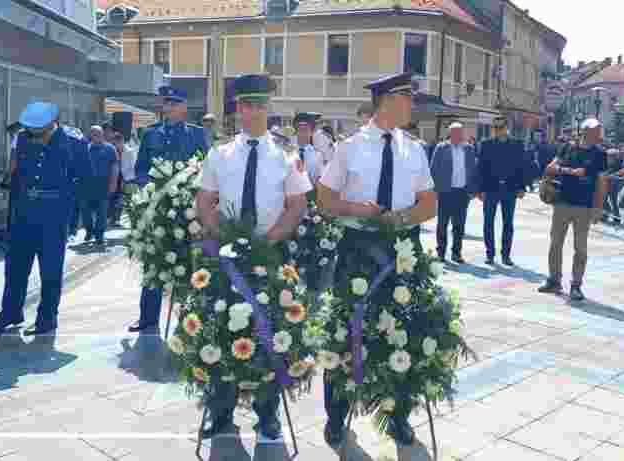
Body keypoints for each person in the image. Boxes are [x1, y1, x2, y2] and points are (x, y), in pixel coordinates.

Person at [317, 72, 436, 449]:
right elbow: (324, 200)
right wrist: (359, 209)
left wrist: (400, 218)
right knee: (345, 334)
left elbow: (430, 203)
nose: (412, 106)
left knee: (404, 333)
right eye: (408, 98)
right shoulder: (350, 147)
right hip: (358, 249)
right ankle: (336, 418)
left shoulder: (414, 149)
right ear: (388, 100)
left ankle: (398, 417)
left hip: (402, 252)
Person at [195, 74, 312, 441]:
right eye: (248, 104)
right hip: (229, 255)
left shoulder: (287, 156)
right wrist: (222, 234)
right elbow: (204, 202)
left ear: (268, 108)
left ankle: (268, 414)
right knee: (220, 328)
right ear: (238, 108)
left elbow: (297, 207)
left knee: (271, 334)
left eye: (261, 104)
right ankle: (221, 411)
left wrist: (267, 239)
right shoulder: (220, 153)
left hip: (270, 254)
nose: (254, 111)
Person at [0, 102, 91, 336]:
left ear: (53, 125)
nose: (34, 139)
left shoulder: (74, 143)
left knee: (50, 271)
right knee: (14, 269)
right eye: (31, 133)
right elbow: (17, 174)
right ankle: (10, 314)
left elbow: (85, 179)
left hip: (54, 218)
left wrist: (71, 213)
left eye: (39, 134)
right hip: (23, 215)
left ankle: (47, 319)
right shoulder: (23, 138)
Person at [128, 86, 210, 333]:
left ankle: (190, 317)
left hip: (187, 209)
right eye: (167, 103)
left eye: (175, 103)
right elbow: (141, 169)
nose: (170, 108)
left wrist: (190, 192)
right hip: (156, 208)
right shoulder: (151, 135)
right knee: (154, 260)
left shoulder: (197, 135)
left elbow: (205, 168)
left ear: (185, 107)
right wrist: (151, 191)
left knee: (189, 261)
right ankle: (147, 318)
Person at [539, 120, 606, 302]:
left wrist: (598, 207)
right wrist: (569, 171)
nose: (599, 135)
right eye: (596, 131)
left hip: (583, 206)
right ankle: (554, 280)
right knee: (555, 243)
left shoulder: (600, 154)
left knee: (581, 248)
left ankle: (576, 285)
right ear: (585, 131)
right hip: (562, 202)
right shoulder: (567, 148)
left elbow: (601, 182)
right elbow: (550, 168)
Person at [477, 115, 526, 266]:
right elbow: (481, 168)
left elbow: (522, 167)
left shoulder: (517, 144)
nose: (498, 131)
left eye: (501, 127)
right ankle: (490, 254)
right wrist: (480, 189)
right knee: (488, 222)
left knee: (508, 223)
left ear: (507, 128)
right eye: (495, 128)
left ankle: (506, 255)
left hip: (510, 189)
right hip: (491, 189)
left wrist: (522, 187)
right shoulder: (486, 144)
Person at [431, 121, 479, 263]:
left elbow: (473, 170)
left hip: (462, 193)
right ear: (450, 133)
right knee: (442, 224)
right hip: (445, 192)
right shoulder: (441, 148)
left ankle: (456, 253)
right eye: (455, 132)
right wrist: (434, 190)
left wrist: (472, 190)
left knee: (459, 225)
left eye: (460, 132)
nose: (458, 135)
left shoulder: (469, 149)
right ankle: (440, 252)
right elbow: (433, 169)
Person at [79, 126, 118, 246]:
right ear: (90, 135)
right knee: (85, 212)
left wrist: (113, 183)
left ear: (102, 134)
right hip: (86, 187)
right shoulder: (85, 148)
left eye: (98, 133)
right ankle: (89, 230)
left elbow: (115, 167)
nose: (96, 136)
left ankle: (99, 235)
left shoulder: (110, 148)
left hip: (103, 186)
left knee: (102, 212)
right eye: (94, 134)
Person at [292, 112, 324, 182]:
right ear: (296, 131)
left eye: (306, 129)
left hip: (310, 190)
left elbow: (319, 177)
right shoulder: (289, 152)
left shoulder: (318, 155)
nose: (303, 133)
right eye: (300, 129)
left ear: (312, 132)